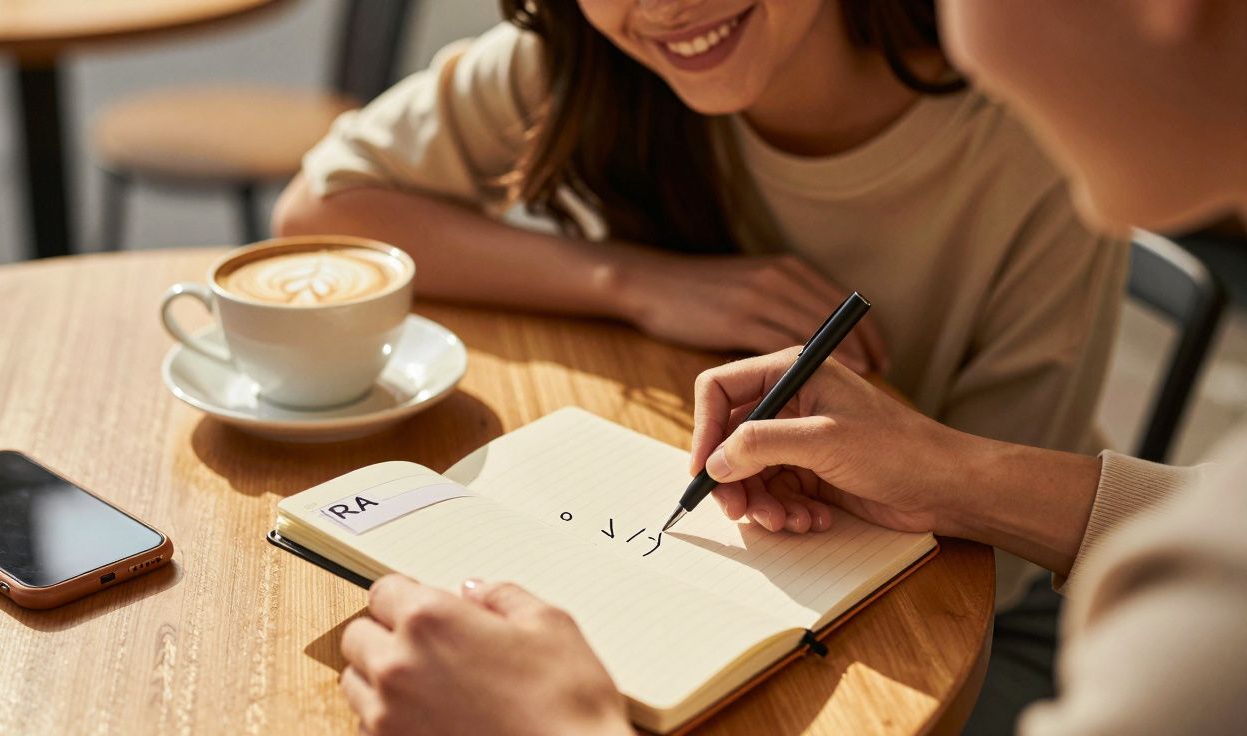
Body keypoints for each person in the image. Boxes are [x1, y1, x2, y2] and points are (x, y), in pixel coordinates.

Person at [335, 0, 1247, 733]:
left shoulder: (1195, 632)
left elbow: (1011, 593)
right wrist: (638, 282)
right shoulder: (596, 55)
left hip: (974, 633)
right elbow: (330, 202)